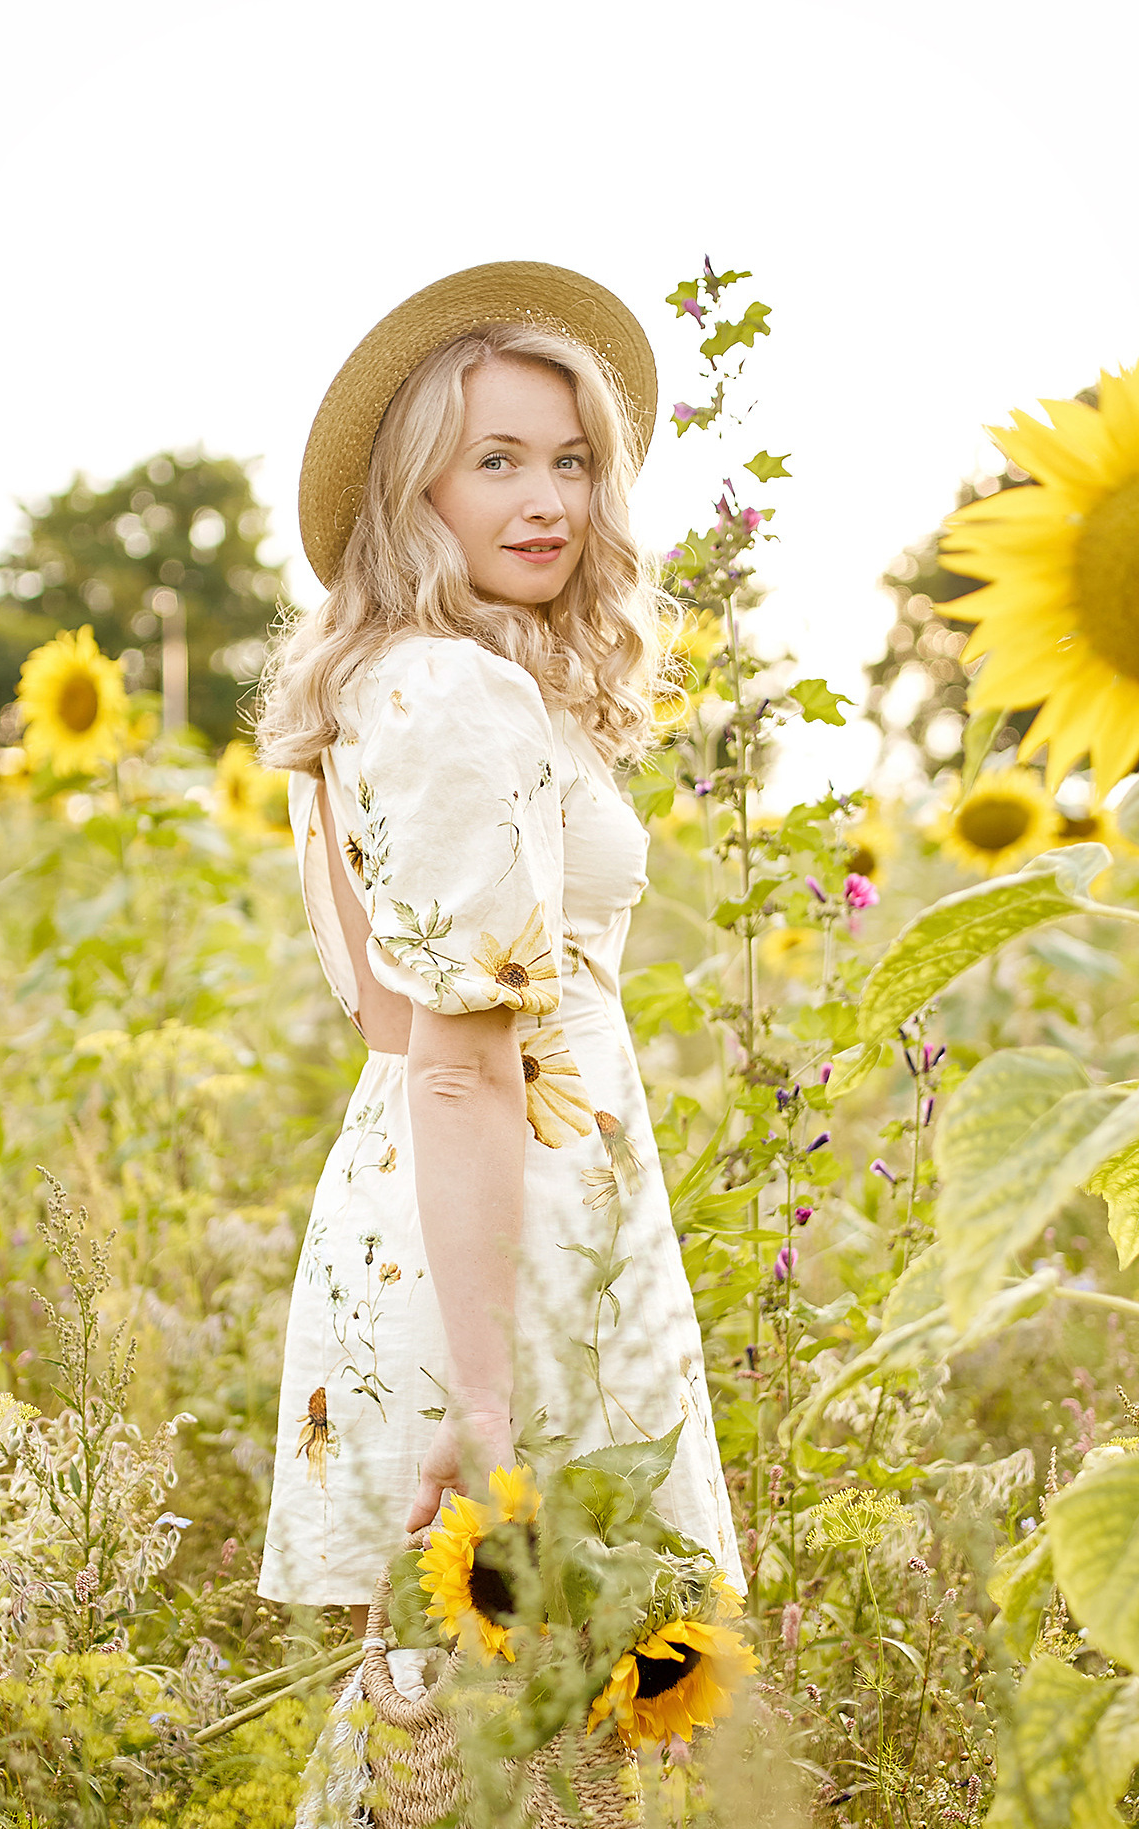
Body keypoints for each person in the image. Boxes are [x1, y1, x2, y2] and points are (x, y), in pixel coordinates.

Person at [252, 261, 744, 1621]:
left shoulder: (385, 679)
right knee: (556, 1707)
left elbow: (392, 1030)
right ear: (416, 491)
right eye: (498, 461)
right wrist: (487, 1396)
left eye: (574, 461)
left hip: (436, 1202)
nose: (548, 500)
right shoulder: (457, 696)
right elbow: (462, 1063)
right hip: (507, 1230)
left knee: (453, 1722)